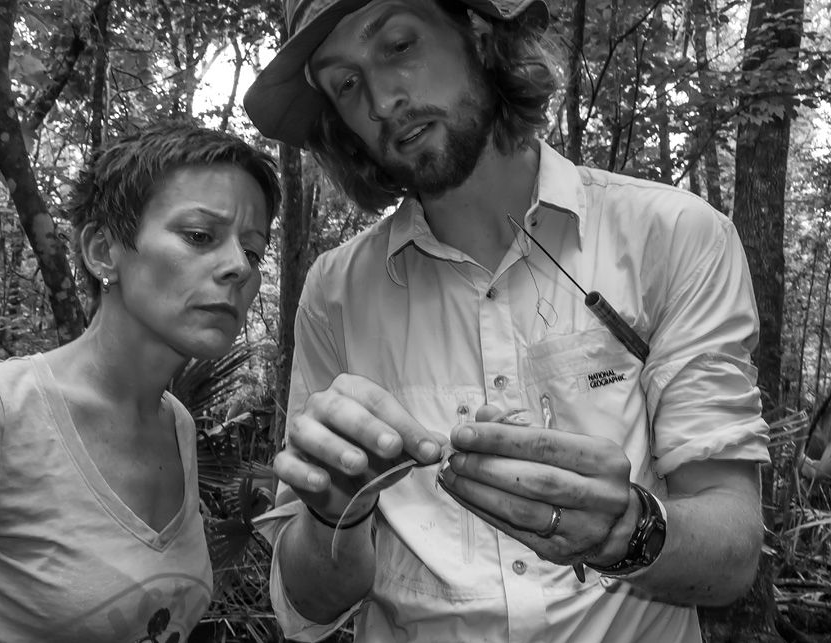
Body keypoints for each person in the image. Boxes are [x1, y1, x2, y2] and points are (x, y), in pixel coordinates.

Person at [242, 1, 770, 641]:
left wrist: (628, 530)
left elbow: (733, 551)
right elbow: (307, 609)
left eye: (399, 45)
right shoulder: (335, 292)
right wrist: (333, 514)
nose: (381, 101)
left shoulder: (673, 237)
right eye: (346, 84)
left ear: (478, 32)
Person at [0, 121, 282, 643]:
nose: (238, 268)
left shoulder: (177, 425)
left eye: (252, 251)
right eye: (200, 236)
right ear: (102, 251)